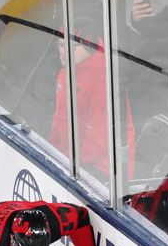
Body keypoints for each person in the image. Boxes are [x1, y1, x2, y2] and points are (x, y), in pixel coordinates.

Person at [48, 16, 136, 179]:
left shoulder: (105, 81)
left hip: (106, 171)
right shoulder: (65, 72)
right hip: (76, 156)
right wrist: (50, 149)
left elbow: (99, 143)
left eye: (72, 47)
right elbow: (59, 121)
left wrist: (63, 158)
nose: (63, 52)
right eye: (60, 45)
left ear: (89, 48)